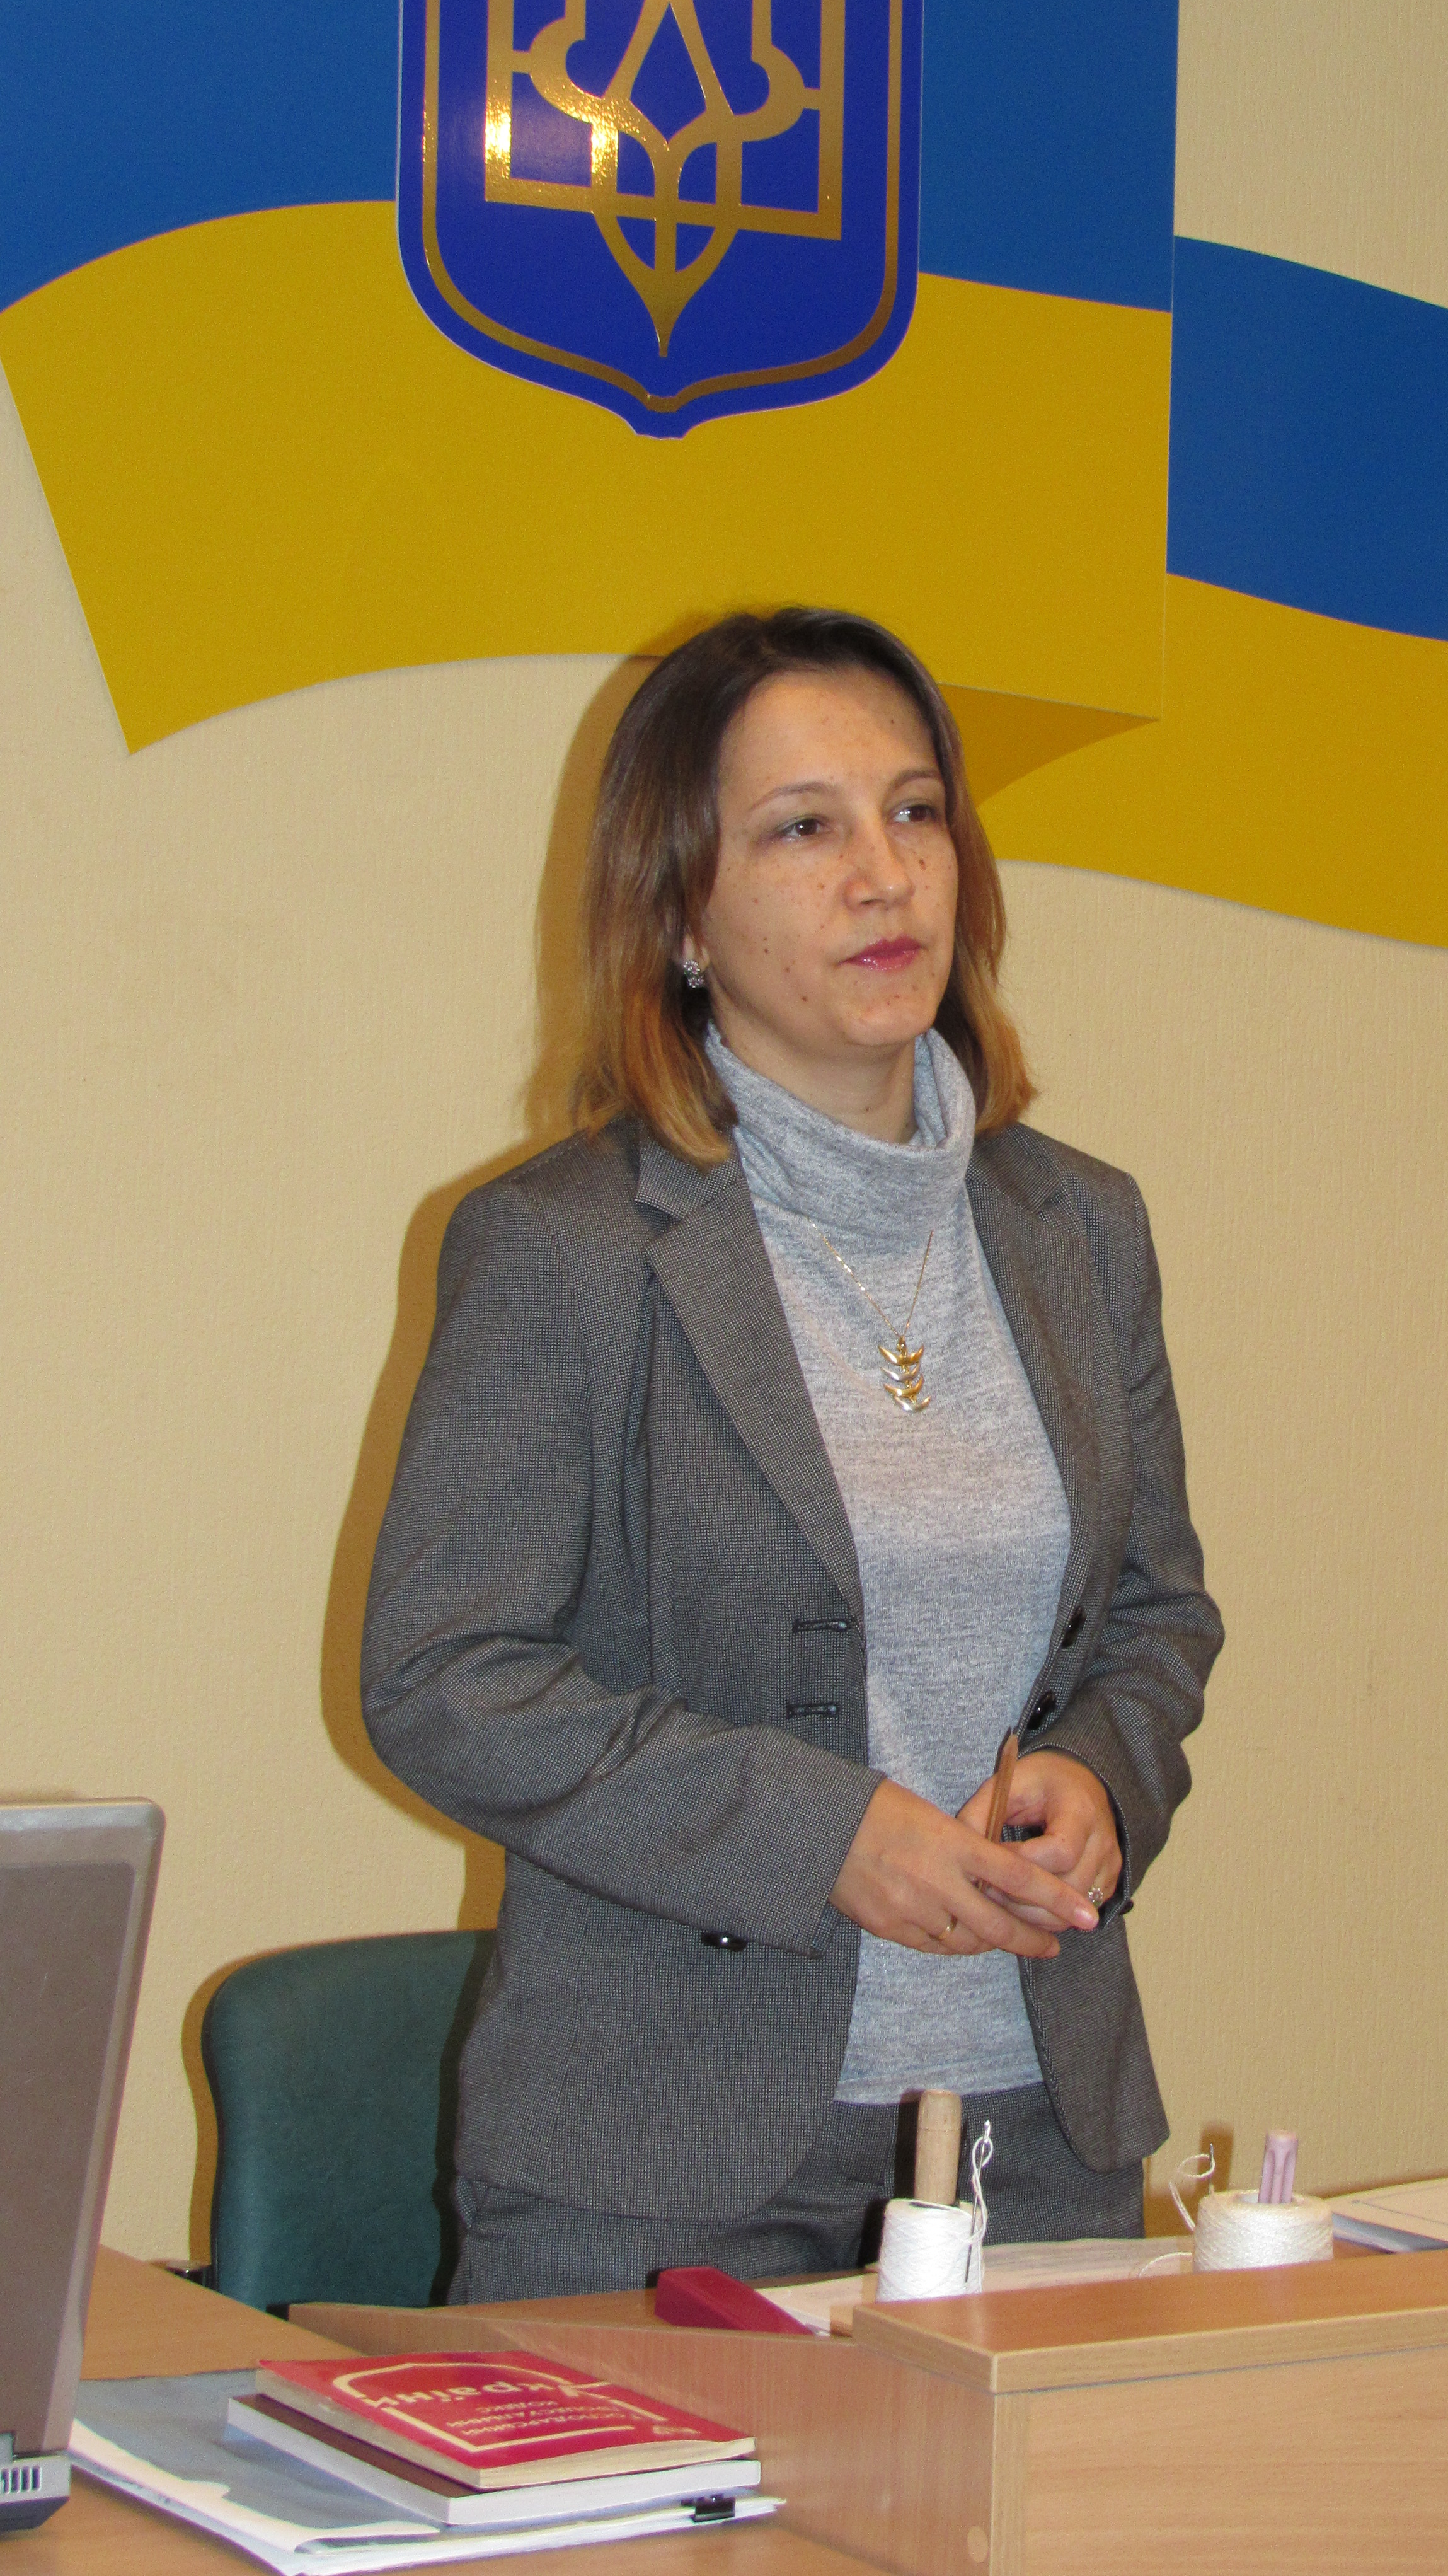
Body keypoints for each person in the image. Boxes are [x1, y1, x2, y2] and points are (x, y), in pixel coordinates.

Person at [361, 606, 1222, 2299]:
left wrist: (1103, 1778)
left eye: (916, 813)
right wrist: (821, 1834)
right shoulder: (566, 1248)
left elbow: (1157, 1613)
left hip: (1039, 2130)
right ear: (682, 913)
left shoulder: (1080, 1229)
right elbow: (446, 1677)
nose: (885, 876)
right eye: (803, 829)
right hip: (660, 2162)